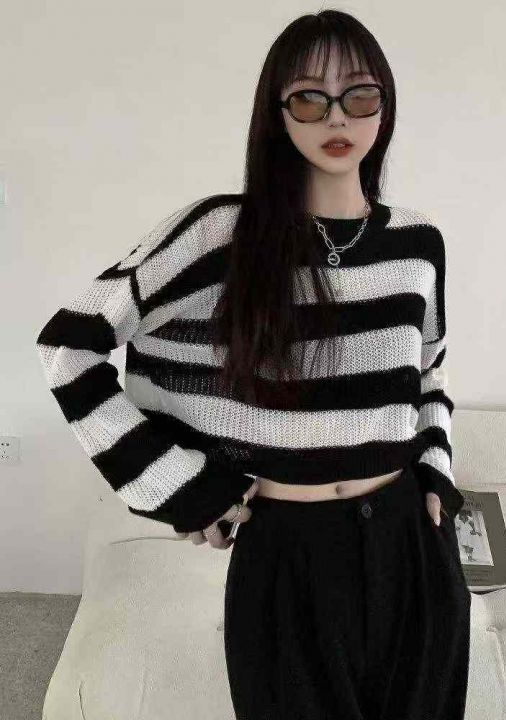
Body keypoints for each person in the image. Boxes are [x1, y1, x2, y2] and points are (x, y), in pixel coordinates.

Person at [35, 8, 470, 720]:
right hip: (285, 554)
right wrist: (183, 487)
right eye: (310, 97)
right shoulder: (220, 235)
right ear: (278, 112)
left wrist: (438, 475)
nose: (338, 115)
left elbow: (432, 369)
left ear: (385, 106)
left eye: (360, 94)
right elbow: (67, 346)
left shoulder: (419, 243)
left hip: (412, 547)